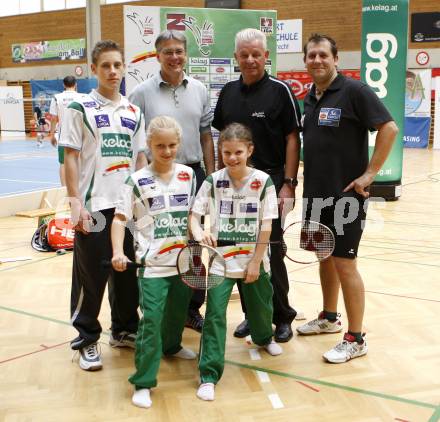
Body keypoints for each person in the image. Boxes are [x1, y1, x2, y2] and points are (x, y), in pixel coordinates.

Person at [296, 33, 398, 363]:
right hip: (315, 194)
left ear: (336, 59)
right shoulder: (310, 97)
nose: (317, 60)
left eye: (323, 55)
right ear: (306, 61)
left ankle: (356, 338)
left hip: (345, 197)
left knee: (345, 263)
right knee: (324, 256)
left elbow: (389, 128)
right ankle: (328, 317)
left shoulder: (354, 91)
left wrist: (369, 174)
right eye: (311, 55)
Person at [59, 40, 147, 371]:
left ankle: (124, 330)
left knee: (125, 272)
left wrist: (141, 201)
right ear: (93, 70)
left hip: (125, 207)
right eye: (106, 65)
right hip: (94, 208)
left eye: (117, 65)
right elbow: (70, 157)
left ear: (124, 69)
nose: (112, 71)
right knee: (91, 274)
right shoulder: (79, 109)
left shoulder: (134, 111)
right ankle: (86, 338)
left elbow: (139, 158)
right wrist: (74, 204)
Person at [212, 28, 302, 342]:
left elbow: (293, 138)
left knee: (271, 252)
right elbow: (222, 139)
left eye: (256, 54)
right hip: (235, 187)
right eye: (244, 54)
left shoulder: (280, 90)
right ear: (236, 57)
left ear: (266, 56)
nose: (250, 60)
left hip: (272, 183)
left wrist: (288, 184)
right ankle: (254, 315)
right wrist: (216, 181)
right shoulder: (227, 92)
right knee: (239, 249)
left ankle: (281, 317)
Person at [129, 30, 215, 333]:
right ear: (157, 56)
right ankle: (156, 308)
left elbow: (206, 135)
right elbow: (137, 140)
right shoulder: (140, 92)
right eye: (168, 52)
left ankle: (191, 309)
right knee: (156, 243)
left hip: (192, 177)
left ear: (186, 53)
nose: (174, 57)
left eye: (179, 51)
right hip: (156, 180)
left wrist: (211, 177)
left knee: (193, 246)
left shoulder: (201, 90)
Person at [190, 123, 282, 402]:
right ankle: (208, 375)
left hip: (253, 260)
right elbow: (194, 217)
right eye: (226, 152)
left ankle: (265, 337)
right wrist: (199, 232)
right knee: (215, 316)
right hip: (220, 263)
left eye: (238, 152)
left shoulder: (263, 181)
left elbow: (266, 227)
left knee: (261, 309)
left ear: (249, 150)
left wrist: (255, 261)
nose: (232, 158)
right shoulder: (212, 181)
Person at [112, 115, 197, 409]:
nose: (167, 151)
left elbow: (191, 217)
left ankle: (172, 346)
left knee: (177, 313)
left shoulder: (188, 175)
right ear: (148, 144)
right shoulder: (135, 181)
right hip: (153, 265)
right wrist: (117, 252)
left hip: (183, 261)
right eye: (160, 145)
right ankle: (143, 381)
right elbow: (120, 219)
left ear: (179, 144)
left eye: (172, 145)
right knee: (150, 323)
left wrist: (200, 236)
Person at [48, 75, 81, 185]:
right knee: (80, 163)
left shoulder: (56, 98)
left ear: (63, 85)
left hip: (63, 137)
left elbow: (53, 118)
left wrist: (52, 135)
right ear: (75, 84)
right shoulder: (83, 97)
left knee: (63, 163)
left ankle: (63, 189)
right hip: (80, 137)